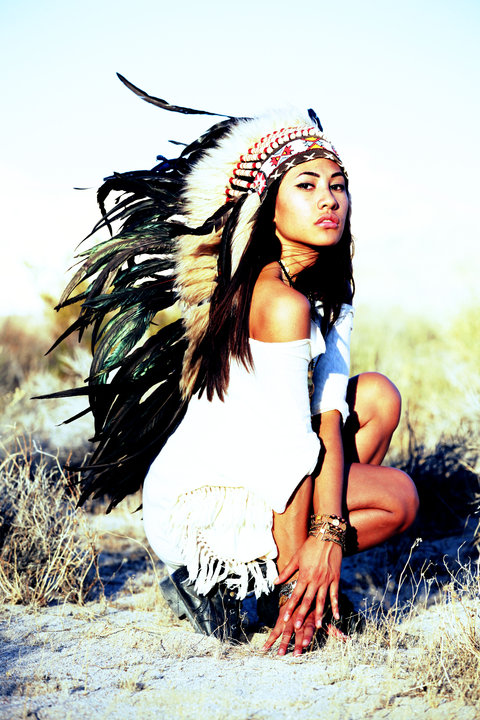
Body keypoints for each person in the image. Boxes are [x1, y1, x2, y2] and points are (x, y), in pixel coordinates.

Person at [52, 75, 419, 656]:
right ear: (269, 207)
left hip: (266, 468)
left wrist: (327, 539)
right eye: (306, 186)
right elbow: (287, 449)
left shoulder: (326, 290)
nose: (329, 199)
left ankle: (288, 578)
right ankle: (261, 584)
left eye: (338, 185)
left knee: (375, 397)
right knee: (397, 497)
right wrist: (311, 560)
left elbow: (328, 413)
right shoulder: (277, 301)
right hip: (205, 499)